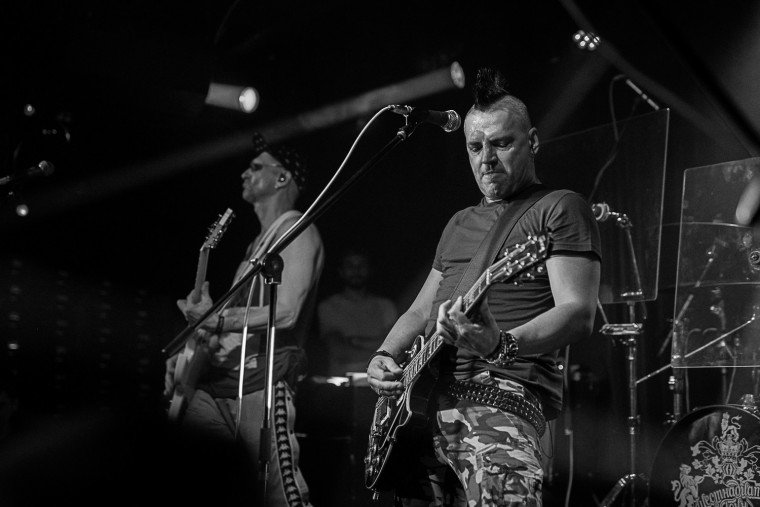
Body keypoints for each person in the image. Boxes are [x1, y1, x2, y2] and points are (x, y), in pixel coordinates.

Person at [366, 67, 602, 506]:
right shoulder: (458, 222)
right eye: (475, 147)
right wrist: (385, 354)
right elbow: (420, 311)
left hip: (500, 398)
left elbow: (578, 313)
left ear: (532, 141)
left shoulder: (559, 207)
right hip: (420, 410)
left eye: (501, 143)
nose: (486, 159)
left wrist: (501, 344)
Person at [164, 133, 324, 507]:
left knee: (276, 493)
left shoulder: (297, 231)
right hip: (218, 381)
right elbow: (232, 321)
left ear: (282, 177)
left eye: (255, 167)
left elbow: (286, 311)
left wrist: (216, 320)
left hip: (259, 381)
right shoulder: (256, 246)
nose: (244, 174)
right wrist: (194, 343)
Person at [317, 247, 398, 376]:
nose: (356, 270)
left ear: (370, 269)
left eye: (362, 265)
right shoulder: (328, 307)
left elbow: (395, 347)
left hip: (382, 378)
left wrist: (356, 342)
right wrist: (379, 346)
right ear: (341, 271)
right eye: (350, 265)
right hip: (343, 381)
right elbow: (340, 352)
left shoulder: (386, 306)